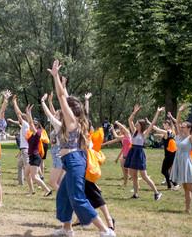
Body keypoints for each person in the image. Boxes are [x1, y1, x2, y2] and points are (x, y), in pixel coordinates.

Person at [48, 60, 115, 237]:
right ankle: (67, 229)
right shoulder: (73, 121)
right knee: (63, 195)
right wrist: (61, 84)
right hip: (70, 161)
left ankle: (106, 231)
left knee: (77, 197)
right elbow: (65, 98)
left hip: (75, 160)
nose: (61, 109)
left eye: (65, 108)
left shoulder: (71, 121)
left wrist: (55, 78)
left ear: (70, 111)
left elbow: (62, 98)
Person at [171, 104, 192, 214]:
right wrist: (180, 111)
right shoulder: (179, 136)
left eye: (183, 126)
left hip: (186, 162)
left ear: (188, 128)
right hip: (179, 161)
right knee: (185, 187)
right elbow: (177, 122)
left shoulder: (191, 137)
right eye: (181, 126)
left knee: (191, 187)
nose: (181, 127)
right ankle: (187, 209)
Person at [124, 104, 163, 200]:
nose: (135, 124)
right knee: (134, 176)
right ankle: (136, 194)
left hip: (139, 153)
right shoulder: (134, 132)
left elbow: (152, 124)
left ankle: (157, 193)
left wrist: (158, 112)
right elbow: (130, 120)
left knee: (144, 176)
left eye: (137, 123)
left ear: (141, 125)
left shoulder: (144, 134)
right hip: (133, 152)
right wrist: (134, 112)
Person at [24, 104, 53, 197]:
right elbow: (30, 123)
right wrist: (27, 113)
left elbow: (31, 123)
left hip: (36, 157)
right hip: (32, 157)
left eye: (34, 125)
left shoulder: (38, 134)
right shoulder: (30, 134)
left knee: (34, 177)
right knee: (26, 174)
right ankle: (31, 190)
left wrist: (29, 113)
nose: (31, 126)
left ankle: (47, 190)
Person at [40, 92, 64, 190]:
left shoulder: (59, 125)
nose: (54, 115)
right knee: (59, 181)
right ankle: (65, 199)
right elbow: (53, 113)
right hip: (56, 153)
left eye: (56, 114)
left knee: (54, 182)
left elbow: (50, 115)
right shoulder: (59, 125)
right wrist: (50, 102)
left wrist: (43, 101)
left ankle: (65, 198)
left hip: (59, 153)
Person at [11, 95, 34, 193]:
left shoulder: (25, 124)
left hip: (25, 150)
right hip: (24, 149)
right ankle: (21, 182)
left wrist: (14, 102)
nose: (19, 118)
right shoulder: (27, 125)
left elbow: (18, 113)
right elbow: (20, 114)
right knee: (20, 165)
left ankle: (32, 187)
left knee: (27, 170)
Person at [148, 119, 179, 190]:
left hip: (169, 155)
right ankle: (170, 185)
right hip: (172, 154)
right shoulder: (172, 131)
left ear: (168, 125)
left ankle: (174, 184)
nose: (163, 125)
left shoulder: (166, 132)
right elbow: (163, 134)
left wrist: (149, 123)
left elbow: (156, 128)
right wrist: (157, 135)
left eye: (164, 124)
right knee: (166, 170)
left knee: (164, 170)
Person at [102, 121, 131, 186]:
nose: (121, 130)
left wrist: (118, 123)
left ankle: (136, 181)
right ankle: (125, 183)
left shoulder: (128, 134)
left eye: (122, 128)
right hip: (124, 155)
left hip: (130, 155)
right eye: (120, 129)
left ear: (125, 129)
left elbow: (118, 135)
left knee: (130, 171)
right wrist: (103, 144)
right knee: (124, 170)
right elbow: (114, 138)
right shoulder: (122, 137)